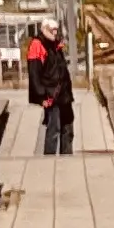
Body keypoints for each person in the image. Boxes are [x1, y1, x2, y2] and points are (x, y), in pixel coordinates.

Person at [29, 28, 74, 156]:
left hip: (64, 95)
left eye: (56, 29)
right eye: (52, 29)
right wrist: (41, 96)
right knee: (54, 129)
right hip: (51, 95)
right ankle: (49, 161)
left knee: (68, 127)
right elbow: (34, 73)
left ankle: (67, 157)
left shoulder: (56, 45)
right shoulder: (38, 44)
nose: (55, 32)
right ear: (45, 29)